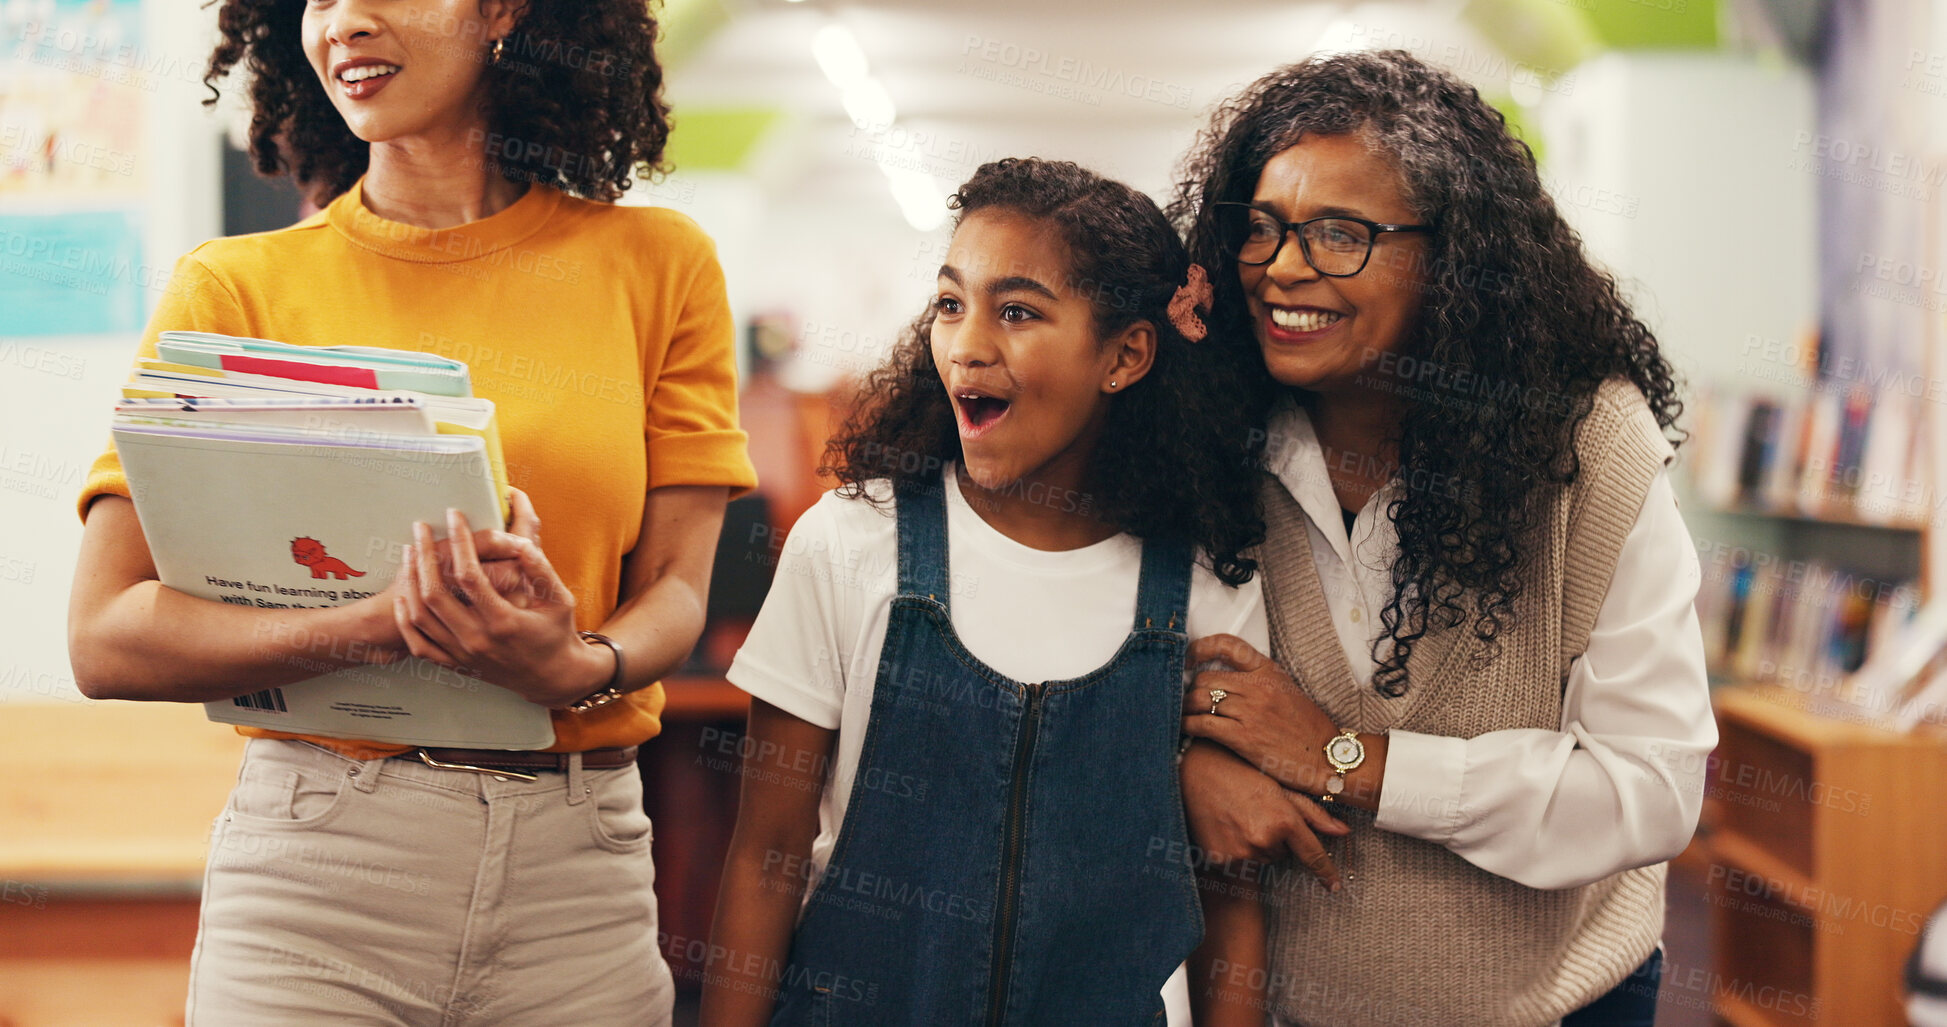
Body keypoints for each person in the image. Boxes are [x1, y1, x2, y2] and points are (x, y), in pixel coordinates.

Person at [65, 0, 754, 1022]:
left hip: (579, 875)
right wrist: (384, 626)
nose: (343, 21)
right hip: (318, 873)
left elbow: (675, 588)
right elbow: (105, 637)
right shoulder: (235, 289)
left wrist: (580, 665)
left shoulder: (657, 266)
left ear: (506, 12)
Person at [1167, 50, 1715, 1026]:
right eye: (1261, 228)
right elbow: (1126, 675)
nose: (1285, 266)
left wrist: (1345, 756)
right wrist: (1181, 759)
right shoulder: (1209, 427)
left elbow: (1650, 786)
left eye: (1341, 233)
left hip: (1561, 1000)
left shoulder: (1588, 445)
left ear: (1455, 259)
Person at [699, 157, 1298, 1026]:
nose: (967, 343)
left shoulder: (1203, 583)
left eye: (1016, 311)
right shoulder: (850, 541)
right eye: (950, 303)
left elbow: (1229, 895)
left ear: (1126, 355)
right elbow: (767, 852)